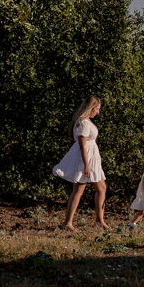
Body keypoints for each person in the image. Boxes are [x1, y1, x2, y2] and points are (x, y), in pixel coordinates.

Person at [52, 95, 108, 231]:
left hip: (92, 158)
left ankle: (99, 220)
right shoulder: (83, 122)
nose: (98, 112)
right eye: (97, 109)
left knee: (101, 188)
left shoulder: (87, 121)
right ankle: (67, 222)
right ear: (91, 108)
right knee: (79, 190)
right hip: (85, 159)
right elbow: (83, 146)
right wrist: (86, 165)